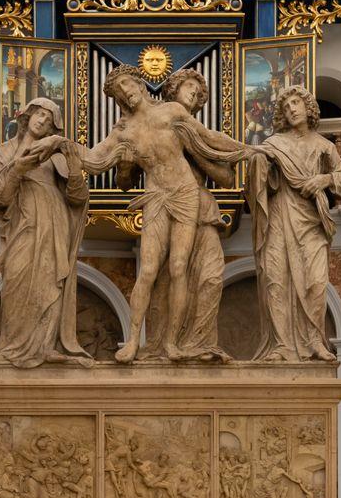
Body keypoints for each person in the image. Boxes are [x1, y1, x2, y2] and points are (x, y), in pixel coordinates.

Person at [30, 65, 255, 363]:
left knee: (178, 267)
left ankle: (173, 344)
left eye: (127, 84)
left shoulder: (171, 111)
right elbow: (94, 160)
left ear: (139, 83)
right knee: (147, 271)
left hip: (186, 194)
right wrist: (60, 143)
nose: (126, 92)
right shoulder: (124, 131)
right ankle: (134, 341)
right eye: (118, 91)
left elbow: (209, 137)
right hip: (155, 197)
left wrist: (249, 150)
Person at [0, 98, 92, 368]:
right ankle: (13, 346)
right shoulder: (5, 151)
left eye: (48, 119)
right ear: (27, 116)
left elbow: (78, 198)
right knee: (16, 279)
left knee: (51, 280)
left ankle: (46, 346)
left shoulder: (55, 157)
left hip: (54, 224)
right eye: (39, 114)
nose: (42, 120)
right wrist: (18, 169)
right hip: (22, 224)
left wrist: (71, 159)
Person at [134, 69, 233, 362]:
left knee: (211, 278)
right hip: (164, 207)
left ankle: (198, 343)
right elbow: (128, 176)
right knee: (166, 278)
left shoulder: (201, 133)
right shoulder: (154, 126)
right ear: (172, 90)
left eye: (198, 91)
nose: (193, 93)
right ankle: (165, 344)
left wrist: (197, 151)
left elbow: (226, 178)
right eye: (188, 87)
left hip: (201, 208)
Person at [246, 86, 341, 362]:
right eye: (287, 105)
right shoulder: (273, 145)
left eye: (296, 103)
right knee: (276, 280)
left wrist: (324, 180)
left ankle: (314, 340)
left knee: (316, 283)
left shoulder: (325, 146)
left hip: (311, 220)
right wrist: (261, 166)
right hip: (279, 214)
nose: (291, 108)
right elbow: (259, 182)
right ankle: (282, 345)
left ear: (308, 108)